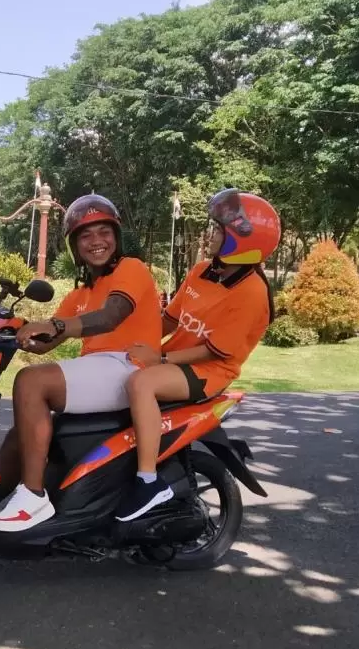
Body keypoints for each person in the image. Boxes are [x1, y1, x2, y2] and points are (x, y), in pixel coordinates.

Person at [0, 194, 162, 533]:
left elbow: (112, 316)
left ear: (116, 236)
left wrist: (56, 326)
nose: (96, 241)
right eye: (86, 235)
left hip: (130, 367)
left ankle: (33, 497)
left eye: (103, 232)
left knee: (31, 382)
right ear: (74, 245)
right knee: (17, 436)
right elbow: (49, 340)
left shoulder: (132, 269)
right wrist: (16, 330)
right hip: (101, 369)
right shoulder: (80, 294)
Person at [116, 188, 280, 522]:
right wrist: (126, 341)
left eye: (218, 230)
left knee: (141, 385)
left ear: (242, 242)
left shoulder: (252, 292)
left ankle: (148, 481)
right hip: (176, 359)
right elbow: (168, 320)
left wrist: (159, 361)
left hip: (210, 371)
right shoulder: (203, 271)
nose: (209, 234)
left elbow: (212, 350)